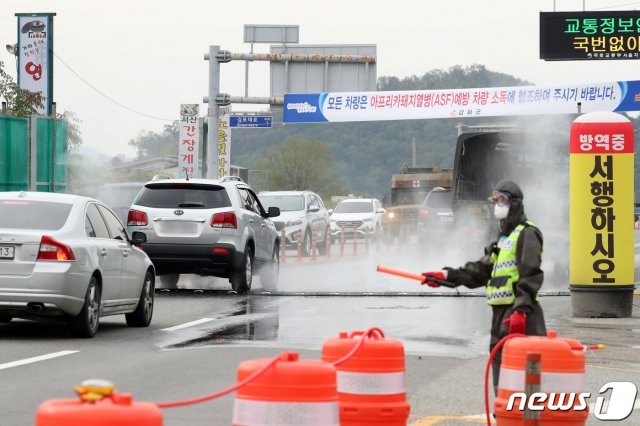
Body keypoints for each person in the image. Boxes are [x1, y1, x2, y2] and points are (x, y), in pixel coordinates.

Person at [422, 180, 547, 394]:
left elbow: (531, 274)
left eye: (501, 200)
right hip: (501, 314)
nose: (497, 205)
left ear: (514, 203)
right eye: (495, 200)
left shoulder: (527, 233)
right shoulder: (504, 238)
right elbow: (481, 270)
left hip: (520, 315)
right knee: (503, 375)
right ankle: (504, 415)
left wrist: (521, 310)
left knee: (525, 376)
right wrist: (447, 276)